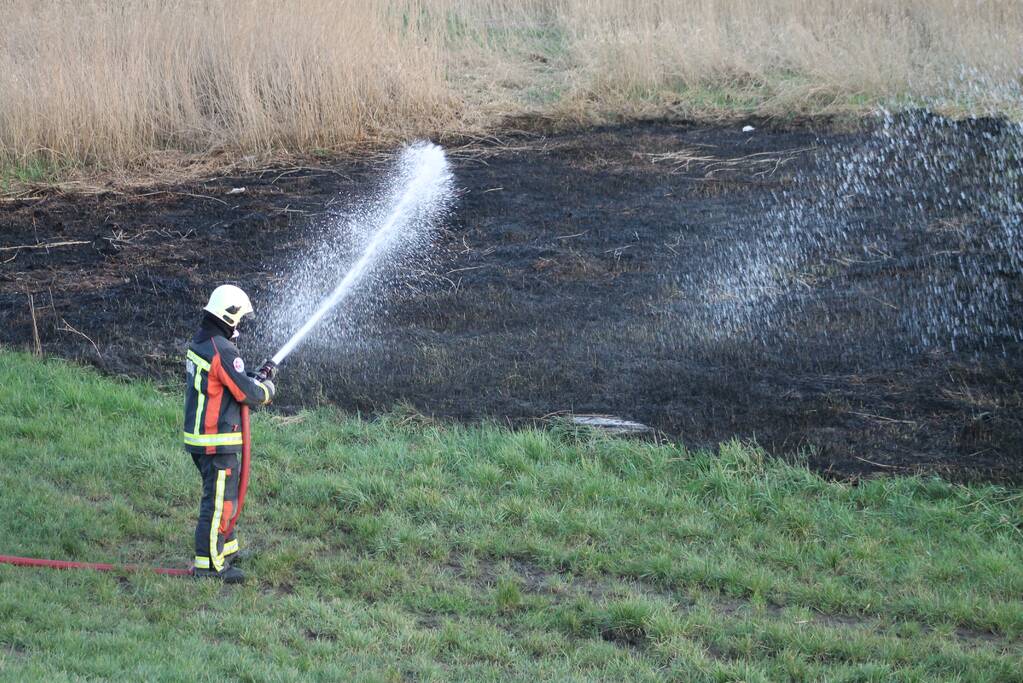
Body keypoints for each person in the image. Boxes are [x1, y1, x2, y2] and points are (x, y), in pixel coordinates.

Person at [183, 285, 275, 583]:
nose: (239, 326)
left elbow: (225, 381)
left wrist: (250, 376)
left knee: (226, 499)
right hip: (216, 440)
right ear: (229, 315)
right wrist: (266, 389)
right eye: (239, 319)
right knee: (218, 504)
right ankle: (209, 566)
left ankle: (228, 549)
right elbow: (246, 393)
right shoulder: (223, 349)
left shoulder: (205, 342)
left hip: (205, 438)